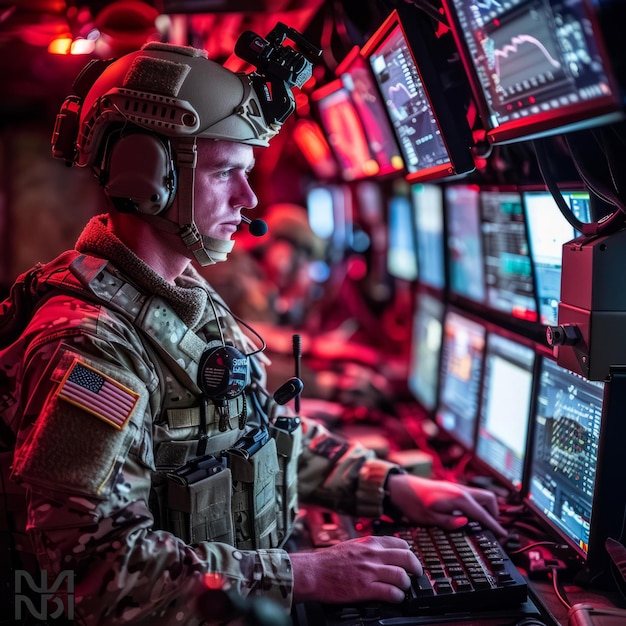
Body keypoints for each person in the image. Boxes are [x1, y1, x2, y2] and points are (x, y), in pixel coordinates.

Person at [0, 37, 507, 625]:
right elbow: (94, 572)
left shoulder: (181, 293)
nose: (250, 199)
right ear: (148, 176)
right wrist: (307, 573)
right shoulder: (88, 346)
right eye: (228, 172)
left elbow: (255, 430)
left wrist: (387, 485)